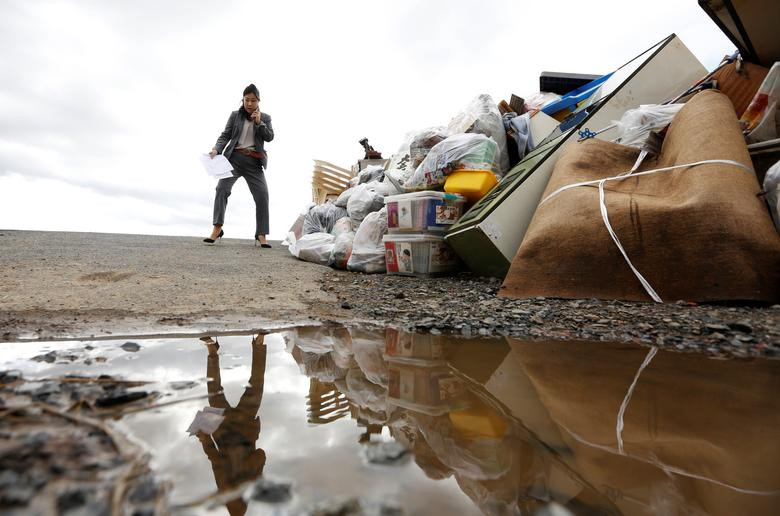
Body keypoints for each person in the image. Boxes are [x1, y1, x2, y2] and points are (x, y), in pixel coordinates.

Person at [195, 334, 267, 515]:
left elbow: (215, 458)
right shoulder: (252, 482)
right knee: (256, 385)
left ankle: (212, 352)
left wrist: (204, 438)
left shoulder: (224, 485)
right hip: (245, 426)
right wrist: (252, 475)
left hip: (224, 429)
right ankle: (258, 345)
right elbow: (260, 455)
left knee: (214, 392)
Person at [205, 84, 274, 248]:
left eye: (253, 100)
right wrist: (216, 149)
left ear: (258, 101)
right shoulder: (235, 115)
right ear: (242, 100)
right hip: (234, 158)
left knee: (262, 195)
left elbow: (270, 137)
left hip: (254, 161)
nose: (249, 104)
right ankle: (217, 228)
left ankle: (261, 234)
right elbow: (225, 135)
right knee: (221, 189)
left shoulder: (265, 117)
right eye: (246, 100)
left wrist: (259, 123)